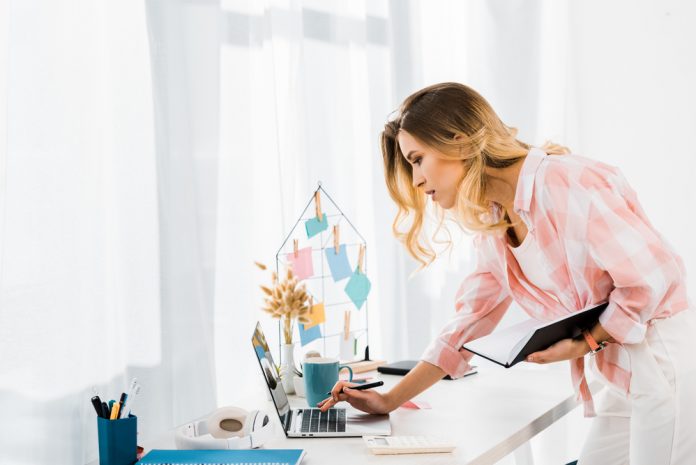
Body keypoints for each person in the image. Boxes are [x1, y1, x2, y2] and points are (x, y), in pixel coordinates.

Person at [317, 82, 696, 464]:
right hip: (625, 374)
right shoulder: (496, 221)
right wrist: (389, 399)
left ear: (459, 143)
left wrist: (587, 342)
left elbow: (653, 278)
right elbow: (468, 323)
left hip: (664, 366)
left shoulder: (566, 183)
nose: (415, 180)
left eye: (417, 159)